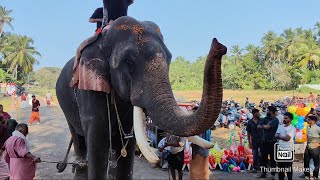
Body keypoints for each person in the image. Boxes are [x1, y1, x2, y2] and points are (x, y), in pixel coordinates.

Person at [257, 106, 279, 179]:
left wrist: (264, 126)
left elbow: (267, 127)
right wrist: (264, 126)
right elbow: (258, 126)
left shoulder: (276, 120)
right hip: (264, 141)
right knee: (263, 158)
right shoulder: (265, 119)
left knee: (273, 159)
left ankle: (272, 174)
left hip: (272, 142)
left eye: (268, 110)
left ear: (272, 111)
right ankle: (264, 173)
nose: (267, 112)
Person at [275, 112, 296, 180]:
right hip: (280, 149)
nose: (284, 119)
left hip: (289, 149)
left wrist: (279, 136)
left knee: (288, 167)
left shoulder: (292, 128)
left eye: (286, 118)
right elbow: (275, 135)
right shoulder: (280, 126)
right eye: (284, 118)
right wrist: (282, 137)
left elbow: (287, 139)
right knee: (281, 167)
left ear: (291, 119)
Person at [300, 114, 320, 180]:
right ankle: (307, 175)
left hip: (315, 148)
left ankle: (315, 176)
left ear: (313, 121)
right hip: (308, 147)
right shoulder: (308, 127)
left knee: (316, 163)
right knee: (306, 162)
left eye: (309, 119)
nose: (307, 120)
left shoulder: (318, 128)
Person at [247, 108, 262, 173]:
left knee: (261, 154)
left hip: (262, 140)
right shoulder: (250, 122)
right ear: (254, 114)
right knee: (255, 154)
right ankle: (255, 168)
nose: (259, 114)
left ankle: (262, 167)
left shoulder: (262, 121)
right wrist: (249, 142)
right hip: (254, 140)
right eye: (258, 113)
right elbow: (248, 132)